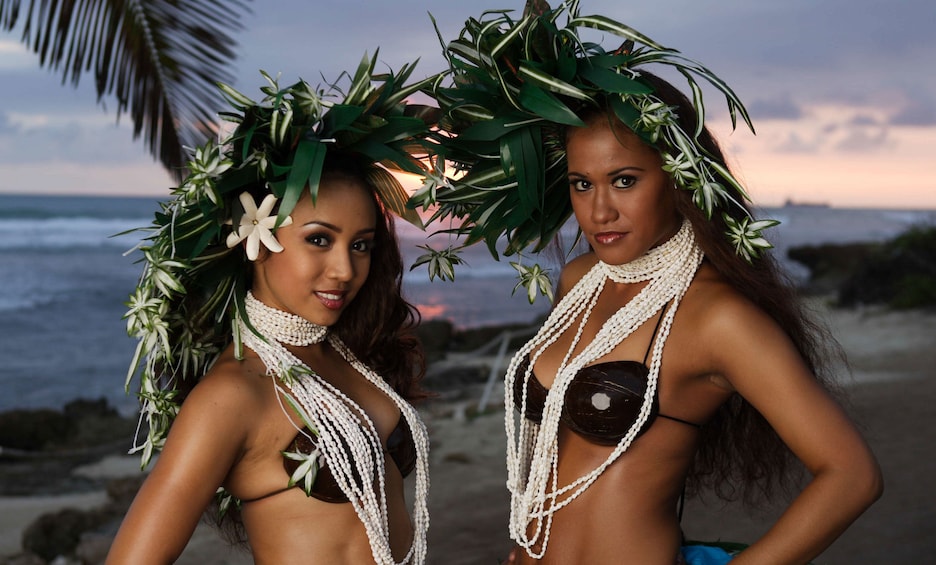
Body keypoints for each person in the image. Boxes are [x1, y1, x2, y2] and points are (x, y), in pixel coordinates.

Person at [414, 2, 882, 563]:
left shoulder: (717, 318)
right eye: (582, 185)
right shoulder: (581, 279)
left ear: (679, 180)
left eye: (625, 180)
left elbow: (851, 475)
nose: (599, 211)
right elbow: (561, 451)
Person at [109, 59, 437, 565]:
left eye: (362, 245)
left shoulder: (346, 358)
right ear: (255, 239)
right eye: (319, 239)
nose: (344, 270)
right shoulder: (232, 394)